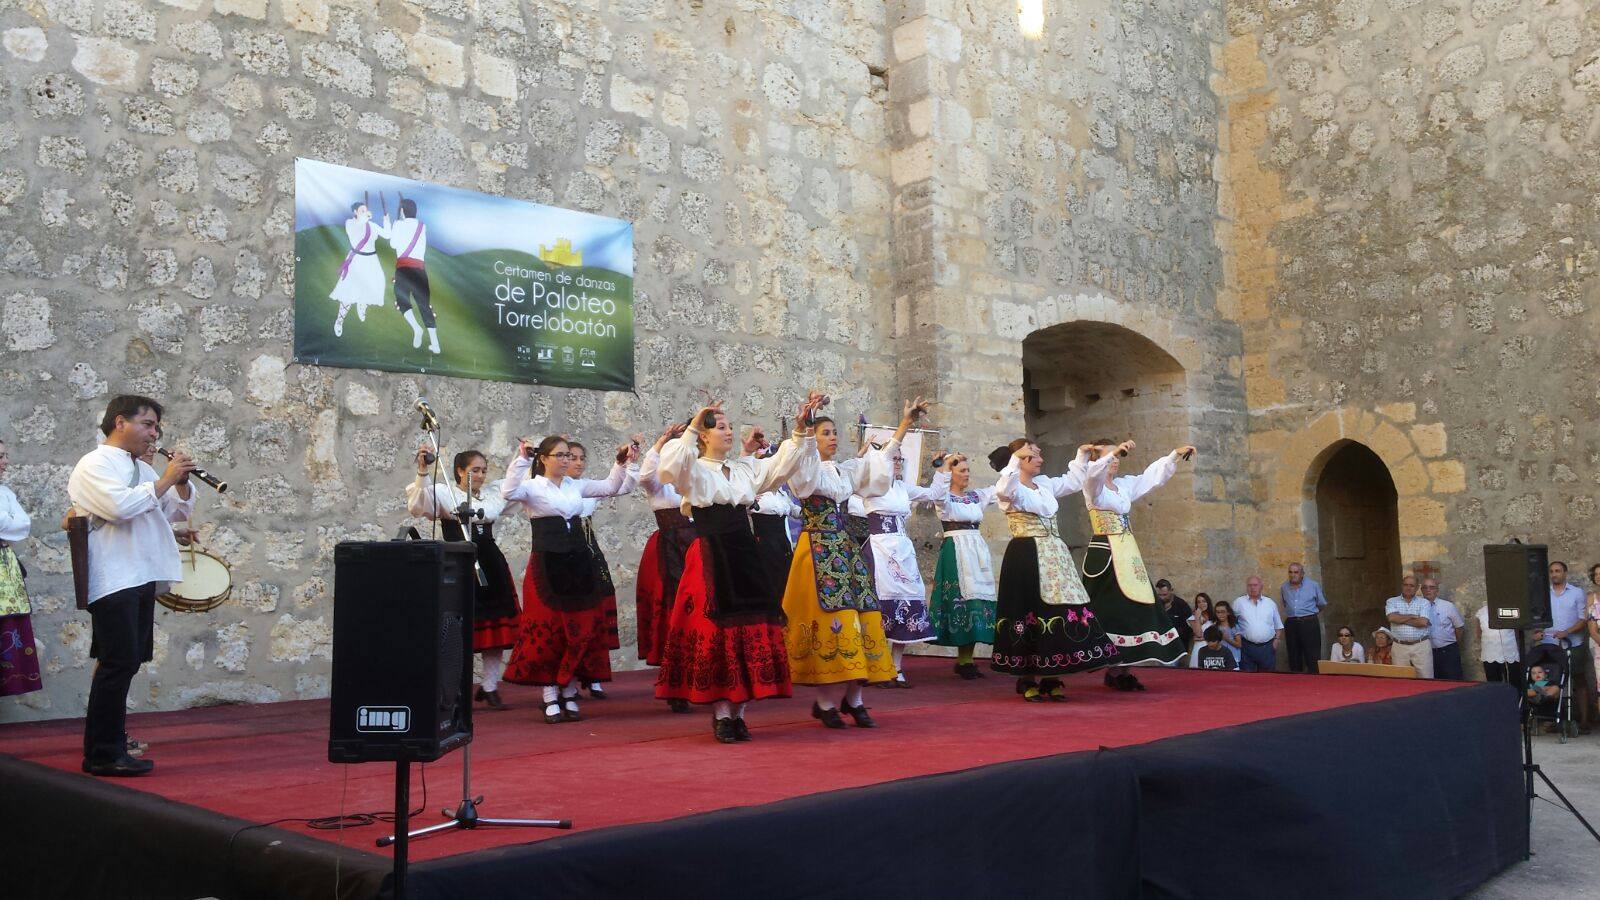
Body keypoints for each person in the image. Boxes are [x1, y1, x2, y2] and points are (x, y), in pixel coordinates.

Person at [656, 394, 822, 743]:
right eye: (720, 427)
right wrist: (691, 426)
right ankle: (721, 714)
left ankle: (741, 712)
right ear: (703, 435)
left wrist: (801, 428)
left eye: (729, 426)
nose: (728, 432)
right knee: (717, 631)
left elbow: (783, 464)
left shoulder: (746, 468)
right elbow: (669, 468)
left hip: (746, 552)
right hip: (712, 553)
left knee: (754, 626)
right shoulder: (695, 469)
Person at [67, 396, 196, 776]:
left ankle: (112, 745)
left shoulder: (138, 468)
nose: (154, 434)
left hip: (141, 574)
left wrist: (181, 484)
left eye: (157, 427)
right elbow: (119, 507)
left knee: (127, 662)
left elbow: (173, 510)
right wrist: (167, 477)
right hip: (115, 575)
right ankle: (103, 754)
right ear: (119, 421)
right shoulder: (94, 463)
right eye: (148, 424)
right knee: (117, 662)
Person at [782, 404, 906, 725]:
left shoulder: (844, 470)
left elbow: (877, 466)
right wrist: (806, 431)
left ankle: (855, 699)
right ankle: (824, 703)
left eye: (835, 432)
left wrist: (904, 424)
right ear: (814, 438)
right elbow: (806, 479)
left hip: (847, 549)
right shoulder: (805, 470)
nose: (833, 437)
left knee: (864, 614)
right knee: (832, 619)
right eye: (826, 433)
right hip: (818, 549)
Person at [500, 435, 637, 724]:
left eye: (568, 455)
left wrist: (620, 463)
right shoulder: (533, 487)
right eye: (560, 455)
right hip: (547, 563)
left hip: (578, 561)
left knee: (581, 626)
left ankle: (571, 689)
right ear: (544, 458)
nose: (565, 460)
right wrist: (521, 457)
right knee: (550, 628)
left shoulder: (577, 486)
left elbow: (611, 487)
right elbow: (508, 491)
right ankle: (550, 695)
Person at [990, 439, 1119, 702]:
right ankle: (1027, 677)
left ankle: (1052, 675)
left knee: (1059, 610)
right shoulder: (1010, 487)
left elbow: (1072, 481)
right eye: (1034, 455)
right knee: (1031, 612)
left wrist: (1082, 455)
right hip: (1027, 556)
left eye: (1038, 454)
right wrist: (1014, 460)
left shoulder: (1045, 484)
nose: (1039, 459)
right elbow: (1004, 489)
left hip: (1055, 556)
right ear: (1021, 460)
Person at [406, 446, 521, 710]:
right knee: (459, 632)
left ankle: (490, 686)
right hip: (458, 564)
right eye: (474, 470)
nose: (479, 475)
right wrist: (423, 471)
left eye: (483, 470)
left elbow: (516, 485)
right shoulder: (445, 493)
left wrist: (523, 456)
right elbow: (417, 504)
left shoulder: (492, 495)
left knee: (496, 627)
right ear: (459, 471)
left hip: (490, 563)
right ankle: (455, 689)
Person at [1080, 440, 1197, 690]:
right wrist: (1111, 452)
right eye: (1109, 455)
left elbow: (1149, 478)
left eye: (1116, 455)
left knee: (1138, 606)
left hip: (1127, 551)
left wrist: (1173, 455)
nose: (1115, 459)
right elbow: (1093, 476)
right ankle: (1111, 665)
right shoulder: (1093, 486)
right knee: (1110, 610)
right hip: (1106, 554)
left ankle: (1123, 669)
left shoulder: (1122, 486)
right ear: (1096, 460)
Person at [860, 408, 945, 686]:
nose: (897, 461)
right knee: (881, 604)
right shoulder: (871, 486)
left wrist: (940, 469)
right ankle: (878, 667)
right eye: (893, 458)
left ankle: (897, 668)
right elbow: (883, 455)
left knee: (909, 599)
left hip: (903, 549)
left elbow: (933, 495)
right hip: (879, 547)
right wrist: (905, 423)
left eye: (899, 459)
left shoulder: (903, 489)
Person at [923, 452, 998, 680]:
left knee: (978, 600)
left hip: (976, 550)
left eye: (967, 470)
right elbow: (939, 493)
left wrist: (1013, 461)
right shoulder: (944, 499)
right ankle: (963, 659)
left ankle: (967, 658)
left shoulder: (976, 497)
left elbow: (1003, 487)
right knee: (960, 600)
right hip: (956, 550)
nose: (966, 475)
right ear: (951, 475)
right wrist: (944, 465)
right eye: (961, 471)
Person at [567, 439, 633, 700]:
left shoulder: (586, 487)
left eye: (582, 457)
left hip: (590, 552)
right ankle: (566, 680)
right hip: (565, 553)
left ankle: (594, 676)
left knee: (598, 610)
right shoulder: (551, 489)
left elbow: (618, 487)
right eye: (572, 457)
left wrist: (627, 463)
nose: (578, 462)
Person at [633, 424, 693, 709]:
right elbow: (644, 476)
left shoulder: (697, 477)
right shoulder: (658, 481)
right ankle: (674, 683)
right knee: (673, 613)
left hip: (697, 548)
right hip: (670, 550)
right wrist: (660, 442)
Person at [0, 439, 42, 698]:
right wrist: (7, 522)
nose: (5, 462)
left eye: (4, 455)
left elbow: (23, 525)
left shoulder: (5, 492)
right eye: (0, 456)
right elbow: (8, 524)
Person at [1543, 561, 1593, 733]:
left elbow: (1583, 619)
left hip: (1574, 644)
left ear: (1565, 573)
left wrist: (1567, 632)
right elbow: (1540, 617)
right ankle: (1554, 718)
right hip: (1550, 643)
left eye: (1557, 571)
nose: (1554, 574)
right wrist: (1538, 632)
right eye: (1551, 571)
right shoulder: (1544, 594)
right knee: (1550, 680)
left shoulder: (1577, 593)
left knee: (1579, 680)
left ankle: (1585, 720)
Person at [329, 199, 391, 337]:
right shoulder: (350, 223)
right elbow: (356, 232)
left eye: (366, 210)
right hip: (356, 260)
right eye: (362, 210)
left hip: (371, 261)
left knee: (374, 284)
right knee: (349, 291)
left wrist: (386, 221)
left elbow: (388, 235)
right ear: (355, 212)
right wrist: (365, 218)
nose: (365, 212)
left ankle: (362, 305)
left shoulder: (372, 225)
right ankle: (339, 321)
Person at [387, 195, 439, 353]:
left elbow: (392, 243)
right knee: (424, 306)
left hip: (403, 269)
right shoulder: (422, 226)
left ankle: (416, 328)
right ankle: (435, 344)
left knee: (402, 301)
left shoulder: (398, 224)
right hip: (420, 270)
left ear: (402, 211)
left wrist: (393, 225)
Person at [1279, 562, 1327, 674]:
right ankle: (1296, 681)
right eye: (1290, 572)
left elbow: (1322, 604)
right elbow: (1285, 604)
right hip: (1291, 623)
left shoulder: (1313, 585)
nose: (1293, 575)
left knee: (1312, 655)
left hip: (1309, 622)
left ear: (1302, 574)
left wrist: (1309, 613)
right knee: (1293, 654)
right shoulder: (1284, 587)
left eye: (1296, 572)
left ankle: (1314, 679)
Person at [1383, 575, 1433, 678]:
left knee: (1426, 677)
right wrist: (1412, 616)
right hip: (1399, 646)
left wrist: (1400, 619)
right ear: (1402, 586)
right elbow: (1391, 618)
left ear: (1417, 587)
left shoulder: (1424, 602)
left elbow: (1423, 622)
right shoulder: (1391, 601)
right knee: (1400, 679)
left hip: (1421, 646)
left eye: (1411, 585)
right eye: (1405, 585)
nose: (1408, 588)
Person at [1233, 576, 1283, 673]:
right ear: (1246, 587)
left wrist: (1276, 640)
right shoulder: (1238, 603)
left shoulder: (1270, 603)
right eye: (1250, 585)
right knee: (1247, 679)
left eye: (1255, 585)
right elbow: (1232, 623)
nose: (1252, 588)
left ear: (1261, 586)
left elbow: (1278, 625)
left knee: (1267, 678)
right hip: (1246, 647)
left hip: (1267, 647)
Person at [1420, 577, 1465, 680]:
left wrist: (1454, 643)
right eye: (1425, 587)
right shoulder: (1417, 607)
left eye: (1432, 587)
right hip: (1426, 652)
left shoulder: (1448, 606)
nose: (1428, 590)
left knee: (1452, 681)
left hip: (1447, 651)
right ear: (1421, 590)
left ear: (1437, 590)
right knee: (1432, 682)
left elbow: (1459, 627)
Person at [1476, 602, 1522, 690]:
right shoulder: (1481, 612)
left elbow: (1517, 632)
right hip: (1490, 652)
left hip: (1509, 652)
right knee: (1493, 683)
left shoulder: (1510, 610)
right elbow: (1479, 633)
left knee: (1514, 682)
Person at [1155, 579, 1194, 652]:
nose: (1162, 598)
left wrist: (1173, 633)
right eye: (1159, 595)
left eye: (1164, 595)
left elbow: (1190, 628)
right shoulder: (1155, 605)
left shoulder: (1181, 605)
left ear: (1171, 590)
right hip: (1160, 649)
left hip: (1178, 648)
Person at [1212, 599, 1243, 667]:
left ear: (1228, 612)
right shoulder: (1214, 627)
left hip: (1233, 659)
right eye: (1218, 612)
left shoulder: (1234, 627)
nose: (1220, 614)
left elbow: (1239, 644)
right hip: (1219, 659)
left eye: (1223, 612)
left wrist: (1226, 638)